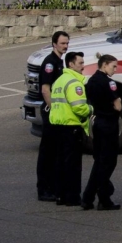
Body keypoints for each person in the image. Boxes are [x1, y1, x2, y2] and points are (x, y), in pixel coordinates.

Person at [49, 51, 90, 207]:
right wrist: (91, 110)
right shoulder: (74, 83)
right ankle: (72, 197)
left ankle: (60, 195)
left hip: (58, 127)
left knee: (60, 163)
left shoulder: (59, 81)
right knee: (73, 165)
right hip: (71, 127)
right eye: (80, 63)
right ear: (71, 64)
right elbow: (79, 107)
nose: (83, 66)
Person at [82, 53, 122, 210]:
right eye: (113, 66)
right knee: (108, 162)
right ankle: (101, 196)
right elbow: (118, 106)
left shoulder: (91, 81)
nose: (115, 69)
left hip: (97, 123)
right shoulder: (109, 83)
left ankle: (91, 197)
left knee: (99, 161)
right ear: (104, 65)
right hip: (109, 125)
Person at [35, 31, 69, 202]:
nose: (65, 46)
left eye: (66, 43)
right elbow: (45, 89)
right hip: (51, 113)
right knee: (48, 152)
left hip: (56, 113)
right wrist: (53, 109)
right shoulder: (50, 63)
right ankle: (44, 189)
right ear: (54, 44)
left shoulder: (59, 61)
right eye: (62, 43)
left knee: (56, 151)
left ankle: (54, 186)